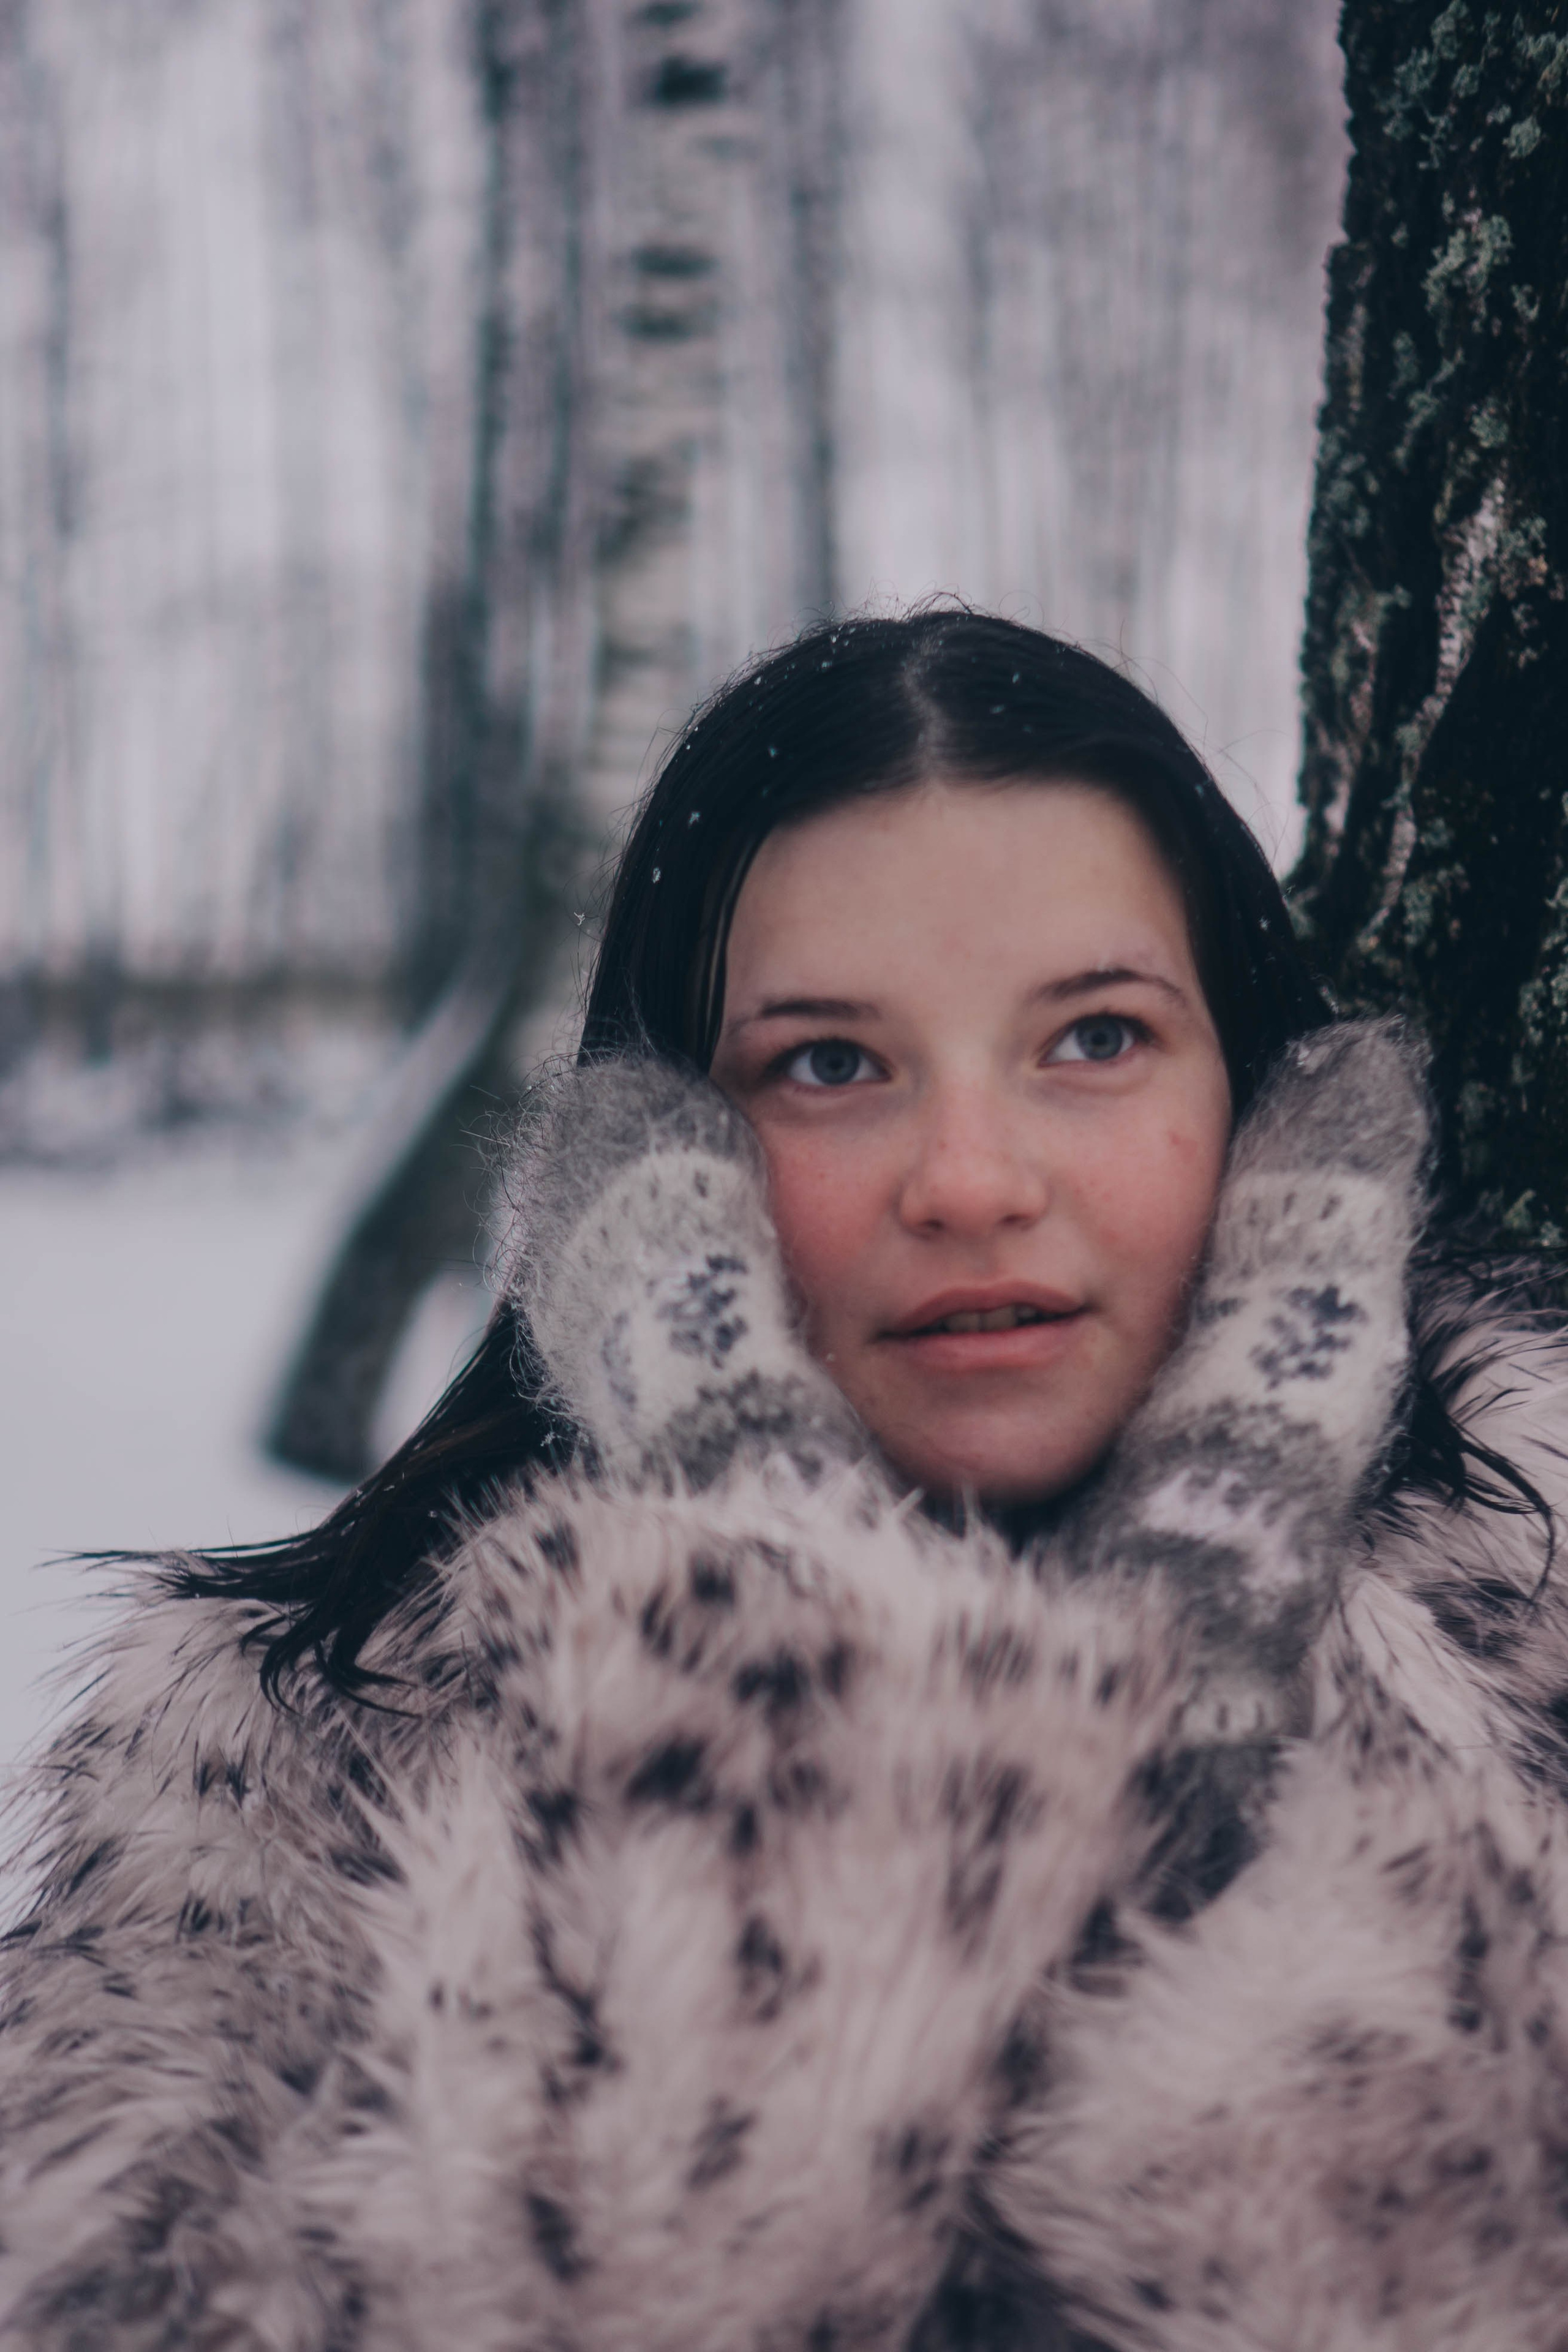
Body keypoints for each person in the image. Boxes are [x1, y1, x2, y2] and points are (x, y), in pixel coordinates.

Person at [3, 608, 1567, 2350]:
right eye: (830, 1066)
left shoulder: (1534, 1639)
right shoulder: (296, 1760)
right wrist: (763, 1657)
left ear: (1268, 1105)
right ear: (670, 1159)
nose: (969, 1182)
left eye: (1095, 1039)